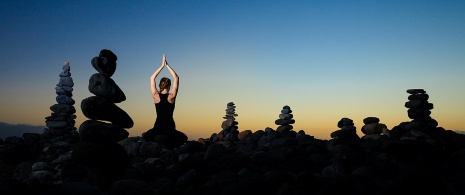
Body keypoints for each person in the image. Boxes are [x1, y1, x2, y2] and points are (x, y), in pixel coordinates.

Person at [143, 54, 187, 149]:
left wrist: (162, 66)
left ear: (160, 85)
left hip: (158, 126)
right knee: (184, 138)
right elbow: (176, 77)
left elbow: (152, 78)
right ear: (169, 86)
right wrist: (167, 65)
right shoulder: (171, 96)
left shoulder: (155, 96)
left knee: (146, 135)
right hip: (169, 127)